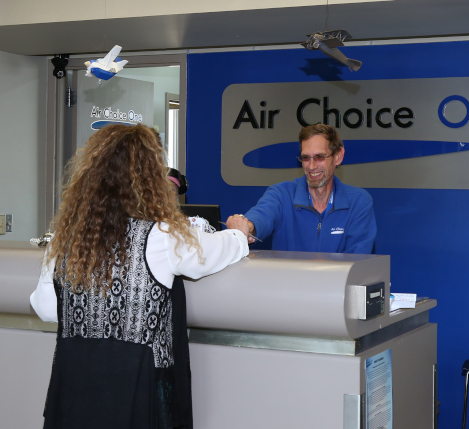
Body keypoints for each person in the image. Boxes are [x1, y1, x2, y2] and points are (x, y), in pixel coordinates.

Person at [30, 124, 250, 429]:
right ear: (149, 178)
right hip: (139, 387)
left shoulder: (64, 238)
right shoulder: (159, 236)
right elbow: (209, 254)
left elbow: (45, 309)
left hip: (76, 385)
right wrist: (238, 234)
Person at [228, 124, 376, 254]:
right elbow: (263, 214)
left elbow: (357, 263)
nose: (311, 166)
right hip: (286, 286)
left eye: (319, 157)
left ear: (338, 156)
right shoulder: (282, 194)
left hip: (336, 285)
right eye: (306, 158)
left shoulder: (359, 202)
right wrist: (248, 226)